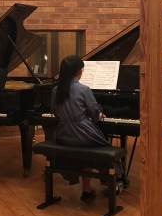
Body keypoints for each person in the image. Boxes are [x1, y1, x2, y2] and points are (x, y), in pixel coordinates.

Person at [50, 55, 123, 201]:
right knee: (105, 147)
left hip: (64, 135)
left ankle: (87, 190)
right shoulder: (84, 89)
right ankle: (115, 181)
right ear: (79, 71)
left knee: (85, 151)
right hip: (81, 134)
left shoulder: (56, 90)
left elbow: (54, 112)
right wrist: (100, 114)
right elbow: (95, 115)